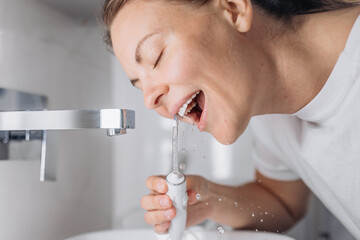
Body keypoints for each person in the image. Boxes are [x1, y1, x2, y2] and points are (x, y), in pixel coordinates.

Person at [102, 0, 360, 238]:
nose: (149, 100)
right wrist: (209, 201)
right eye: (139, 86)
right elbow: (284, 203)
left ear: (234, 9)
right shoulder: (266, 104)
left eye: (156, 56)